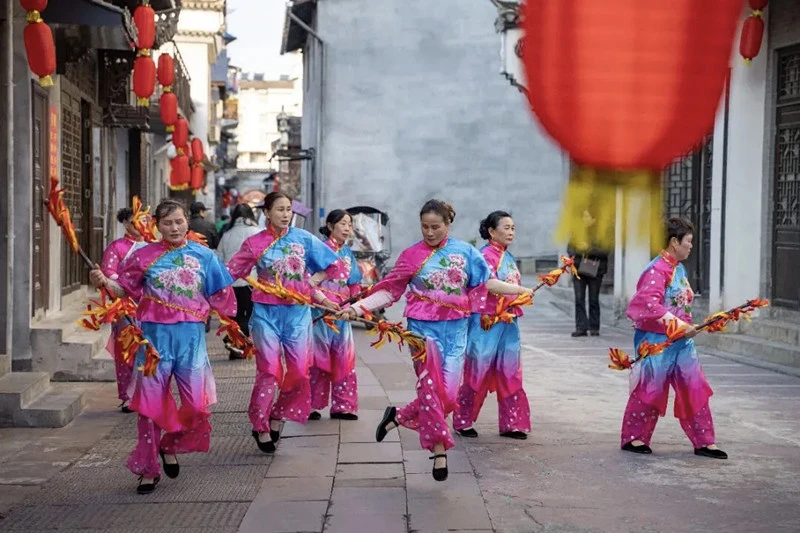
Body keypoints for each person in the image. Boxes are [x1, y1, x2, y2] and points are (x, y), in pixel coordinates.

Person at [339, 200, 533, 482]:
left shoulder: (465, 252)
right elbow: (390, 291)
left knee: (449, 397)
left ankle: (398, 416)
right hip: (421, 331)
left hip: (456, 330)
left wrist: (520, 290)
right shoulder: (411, 255)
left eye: (435, 227)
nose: (429, 232)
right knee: (431, 389)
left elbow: (488, 282)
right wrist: (356, 308)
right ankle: (439, 453)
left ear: (448, 225)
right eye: (424, 227)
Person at [89, 199, 236, 494]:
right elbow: (124, 290)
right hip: (154, 341)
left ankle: (169, 445)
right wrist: (104, 282)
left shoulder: (205, 256)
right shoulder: (144, 256)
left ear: (187, 223)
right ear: (157, 225)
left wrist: (233, 325)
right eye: (167, 223)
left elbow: (223, 295)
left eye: (179, 222)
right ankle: (147, 469)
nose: (174, 228)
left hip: (191, 340)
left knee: (196, 404)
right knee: (149, 407)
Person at [226, 192, 342, 454]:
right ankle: (261, 425)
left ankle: (277, 414)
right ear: (267, 212)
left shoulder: (303, 239)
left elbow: (334, 266)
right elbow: (231, 272)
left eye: (288, 209)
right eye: (279, 209)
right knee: (269, 371)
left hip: (297, 314)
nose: (285, 214)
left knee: (300, 372)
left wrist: (314, 285)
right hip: (266, 314)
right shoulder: (255, 243)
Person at [620, 217, 726, 459]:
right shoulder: (656, 270)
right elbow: (647, 305)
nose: (691, 246)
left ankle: (704, 441)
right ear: (674, 242)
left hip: (682, 342)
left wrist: (690, 326)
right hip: (657, 341)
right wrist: (678, 325)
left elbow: (680, 303)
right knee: (650, 388)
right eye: (688, 241)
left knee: (694, 387)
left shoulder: (679, 269)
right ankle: (634, 438)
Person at [453, 211, 530, 440]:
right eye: (506, 227)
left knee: (511, 371)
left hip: (508, 321)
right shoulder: (484, 256)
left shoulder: (509, 257)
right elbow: (489, 284)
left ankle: (512, 423)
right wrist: (519, 291)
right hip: (485, 322)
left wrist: (521, 297)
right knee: (477, 370)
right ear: (491, 231)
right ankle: (463, 420)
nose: (511, 232)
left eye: (513, 228)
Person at [308, 210, 363, 421]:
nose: (348, 228)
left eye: (350, 224)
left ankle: (344, 406)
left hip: (342, 314)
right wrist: (323, 301)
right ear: (330, 226)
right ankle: (312, 405)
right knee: (317, 360)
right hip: (320, 313)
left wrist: (357, 303)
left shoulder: (348, 253)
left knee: (344, 359)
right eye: (343, 224)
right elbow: (309, 282)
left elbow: (354, 282)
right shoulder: (319, 250)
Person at [98, 208, 145, 413]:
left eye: (145, 221)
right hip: (125, 306)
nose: (141, 226)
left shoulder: (155, 247)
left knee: (152, 352)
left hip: (152, 307)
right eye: (135, 222)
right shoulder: (117, 247)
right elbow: (108, 272)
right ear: (126, 223)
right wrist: (123, 285)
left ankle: (147, 393)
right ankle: (128, 395)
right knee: (127, 352)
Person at [215, 204, 260, 360]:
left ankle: (236, 346)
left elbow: (219, 258)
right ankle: (245, 344)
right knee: (250, 315)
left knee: (235, 316)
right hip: (251, 281)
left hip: (231, 282)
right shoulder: (256, 232)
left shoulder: (227, 234)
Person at [568, 210, 609, 337]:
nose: (584, 219)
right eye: (583, 216)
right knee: (579, 299)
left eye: (587, 216)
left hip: (596, 270)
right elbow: (570, 248)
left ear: (593, 219)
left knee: (593, 299)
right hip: (579, 269)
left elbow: (605, 250)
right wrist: (577, 251)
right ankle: (581, 327)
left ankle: (594, 327)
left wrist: (588, 249)